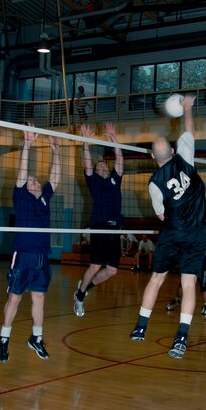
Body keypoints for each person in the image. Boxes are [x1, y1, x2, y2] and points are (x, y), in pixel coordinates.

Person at [130, 95, 206, 359]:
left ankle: (140, 328)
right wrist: (187, 107)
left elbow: (161, 215)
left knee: (157, 278)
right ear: (172, 152)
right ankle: (182, 337)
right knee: (188, 285)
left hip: (172, 232)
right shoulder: (185, 156)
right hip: (196, 233)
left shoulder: (154, 183)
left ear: (152, 156)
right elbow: (188, 129)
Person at [0, 128, 61, 363]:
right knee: (15, 298)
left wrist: (56, 152)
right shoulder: (21, 197)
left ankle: (37, 338)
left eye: (36, 181)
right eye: (31, 181)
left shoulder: (44, 198)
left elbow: (55, 177)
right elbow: (22, 174)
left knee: (39, 298)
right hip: (22, 255)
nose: (35, 182)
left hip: (42, 257)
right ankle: (4, 338)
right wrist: (27, 144)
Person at [73, 122, 124, 317]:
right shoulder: (93, 181)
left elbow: (120, 161)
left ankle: (86, 288)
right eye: (99, 165)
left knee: (111, 270)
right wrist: (86, 143)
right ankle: (79, 296)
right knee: (95, 266)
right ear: (95, 171)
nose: (102, 165)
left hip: (114, 229)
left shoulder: (114, 180)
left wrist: (113, 138)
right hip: (99, 227)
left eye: (104, 164)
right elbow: (87, 163)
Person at [165, 234, 206, 315]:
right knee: (182, 284)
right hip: (190, 265)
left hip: (203, 266)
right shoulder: (189, 235)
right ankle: (177, 300)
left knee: (204, 286)